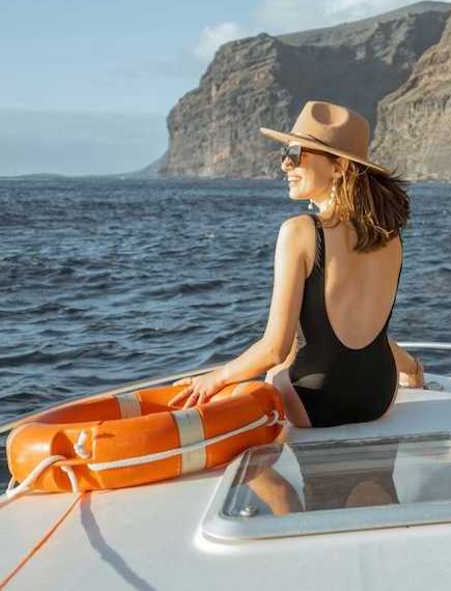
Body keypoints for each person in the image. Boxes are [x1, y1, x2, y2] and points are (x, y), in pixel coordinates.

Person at [168, 100, 425, 429]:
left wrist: (213, 379)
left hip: (316, 402)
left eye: (296, 154)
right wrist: (412, 369)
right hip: (378, 395)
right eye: (285, 153)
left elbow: (272, 350)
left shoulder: (301, 231)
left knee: (279, 368)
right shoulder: (391, 238)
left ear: (339, 167)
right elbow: (368, 334)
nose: (285, 165)